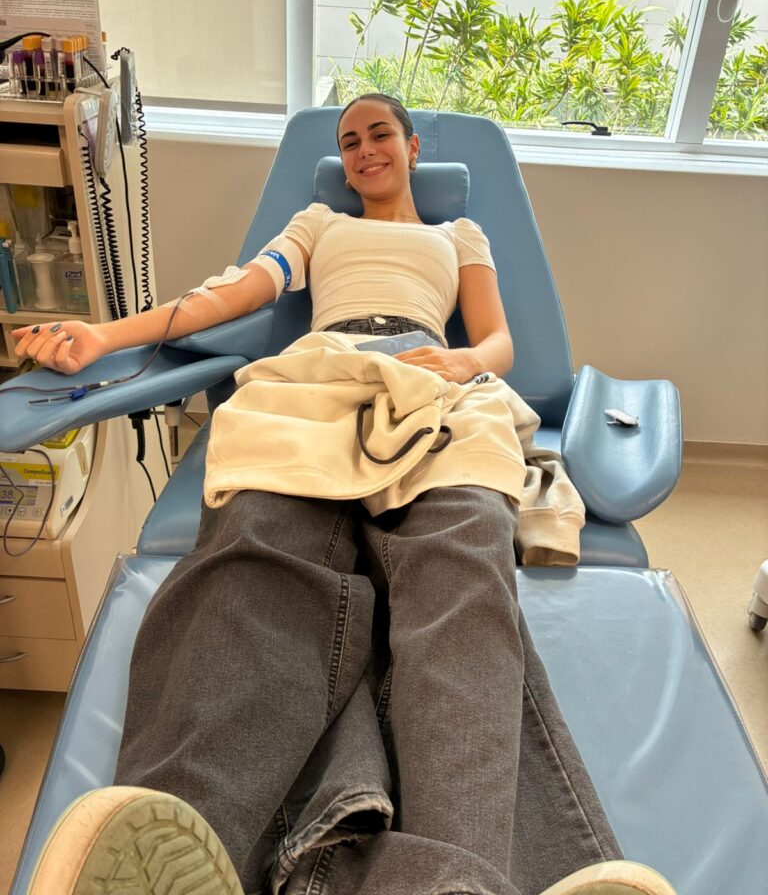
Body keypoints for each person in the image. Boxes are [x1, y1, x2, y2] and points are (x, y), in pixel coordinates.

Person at [13, 95, 676, 895]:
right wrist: (104, 335)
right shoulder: (318, 223)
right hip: (318, 377)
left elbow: (497, 339)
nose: (365, 149)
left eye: (380, 134)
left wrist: (465, 364)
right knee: (254, 551)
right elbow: (231, 295)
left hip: (431, 382)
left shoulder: (459, 236)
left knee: (465, 564)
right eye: (350, 140)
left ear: (412, 146)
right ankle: (180, 848)